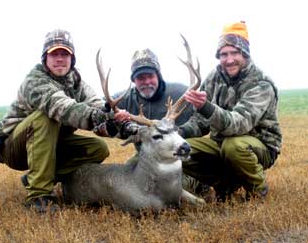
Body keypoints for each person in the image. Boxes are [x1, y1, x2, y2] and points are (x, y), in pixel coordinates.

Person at [0, 29, 122, 213]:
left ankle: (40, 177)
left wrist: (117, 122)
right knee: (46, 116)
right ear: (45, 58)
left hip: (51, 143)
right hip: (15, 148)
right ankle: (39, 195)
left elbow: (96, 105)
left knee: (97, 148)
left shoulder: (77, 83)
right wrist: (95, 118)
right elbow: (60, 106)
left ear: (72, 59)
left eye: (64, 54)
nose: (59, 58)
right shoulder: (35, 80)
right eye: (54, 54)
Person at [179, 21, 282, 201]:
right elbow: (200, 121)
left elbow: (238, 124)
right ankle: (224, 184)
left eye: (235, 53)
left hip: (258, 146)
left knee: (234, 146)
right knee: (178, 148)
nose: (229, 59)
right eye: (223, 54)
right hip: (221, 144)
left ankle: (258, 191)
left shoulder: (261, 84)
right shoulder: (213, 77)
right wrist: (178, 132)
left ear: (245, 53)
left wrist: (206, 107)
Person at [113, 48, 194, 126]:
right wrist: (113, 117)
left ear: (158, 77)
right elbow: (102, 106)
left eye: (151, 76)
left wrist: (203, 106)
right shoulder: (124, 99)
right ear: (134, 81)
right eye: (141, 78)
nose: (147, 82)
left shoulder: (183, 93)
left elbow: (201, 120)